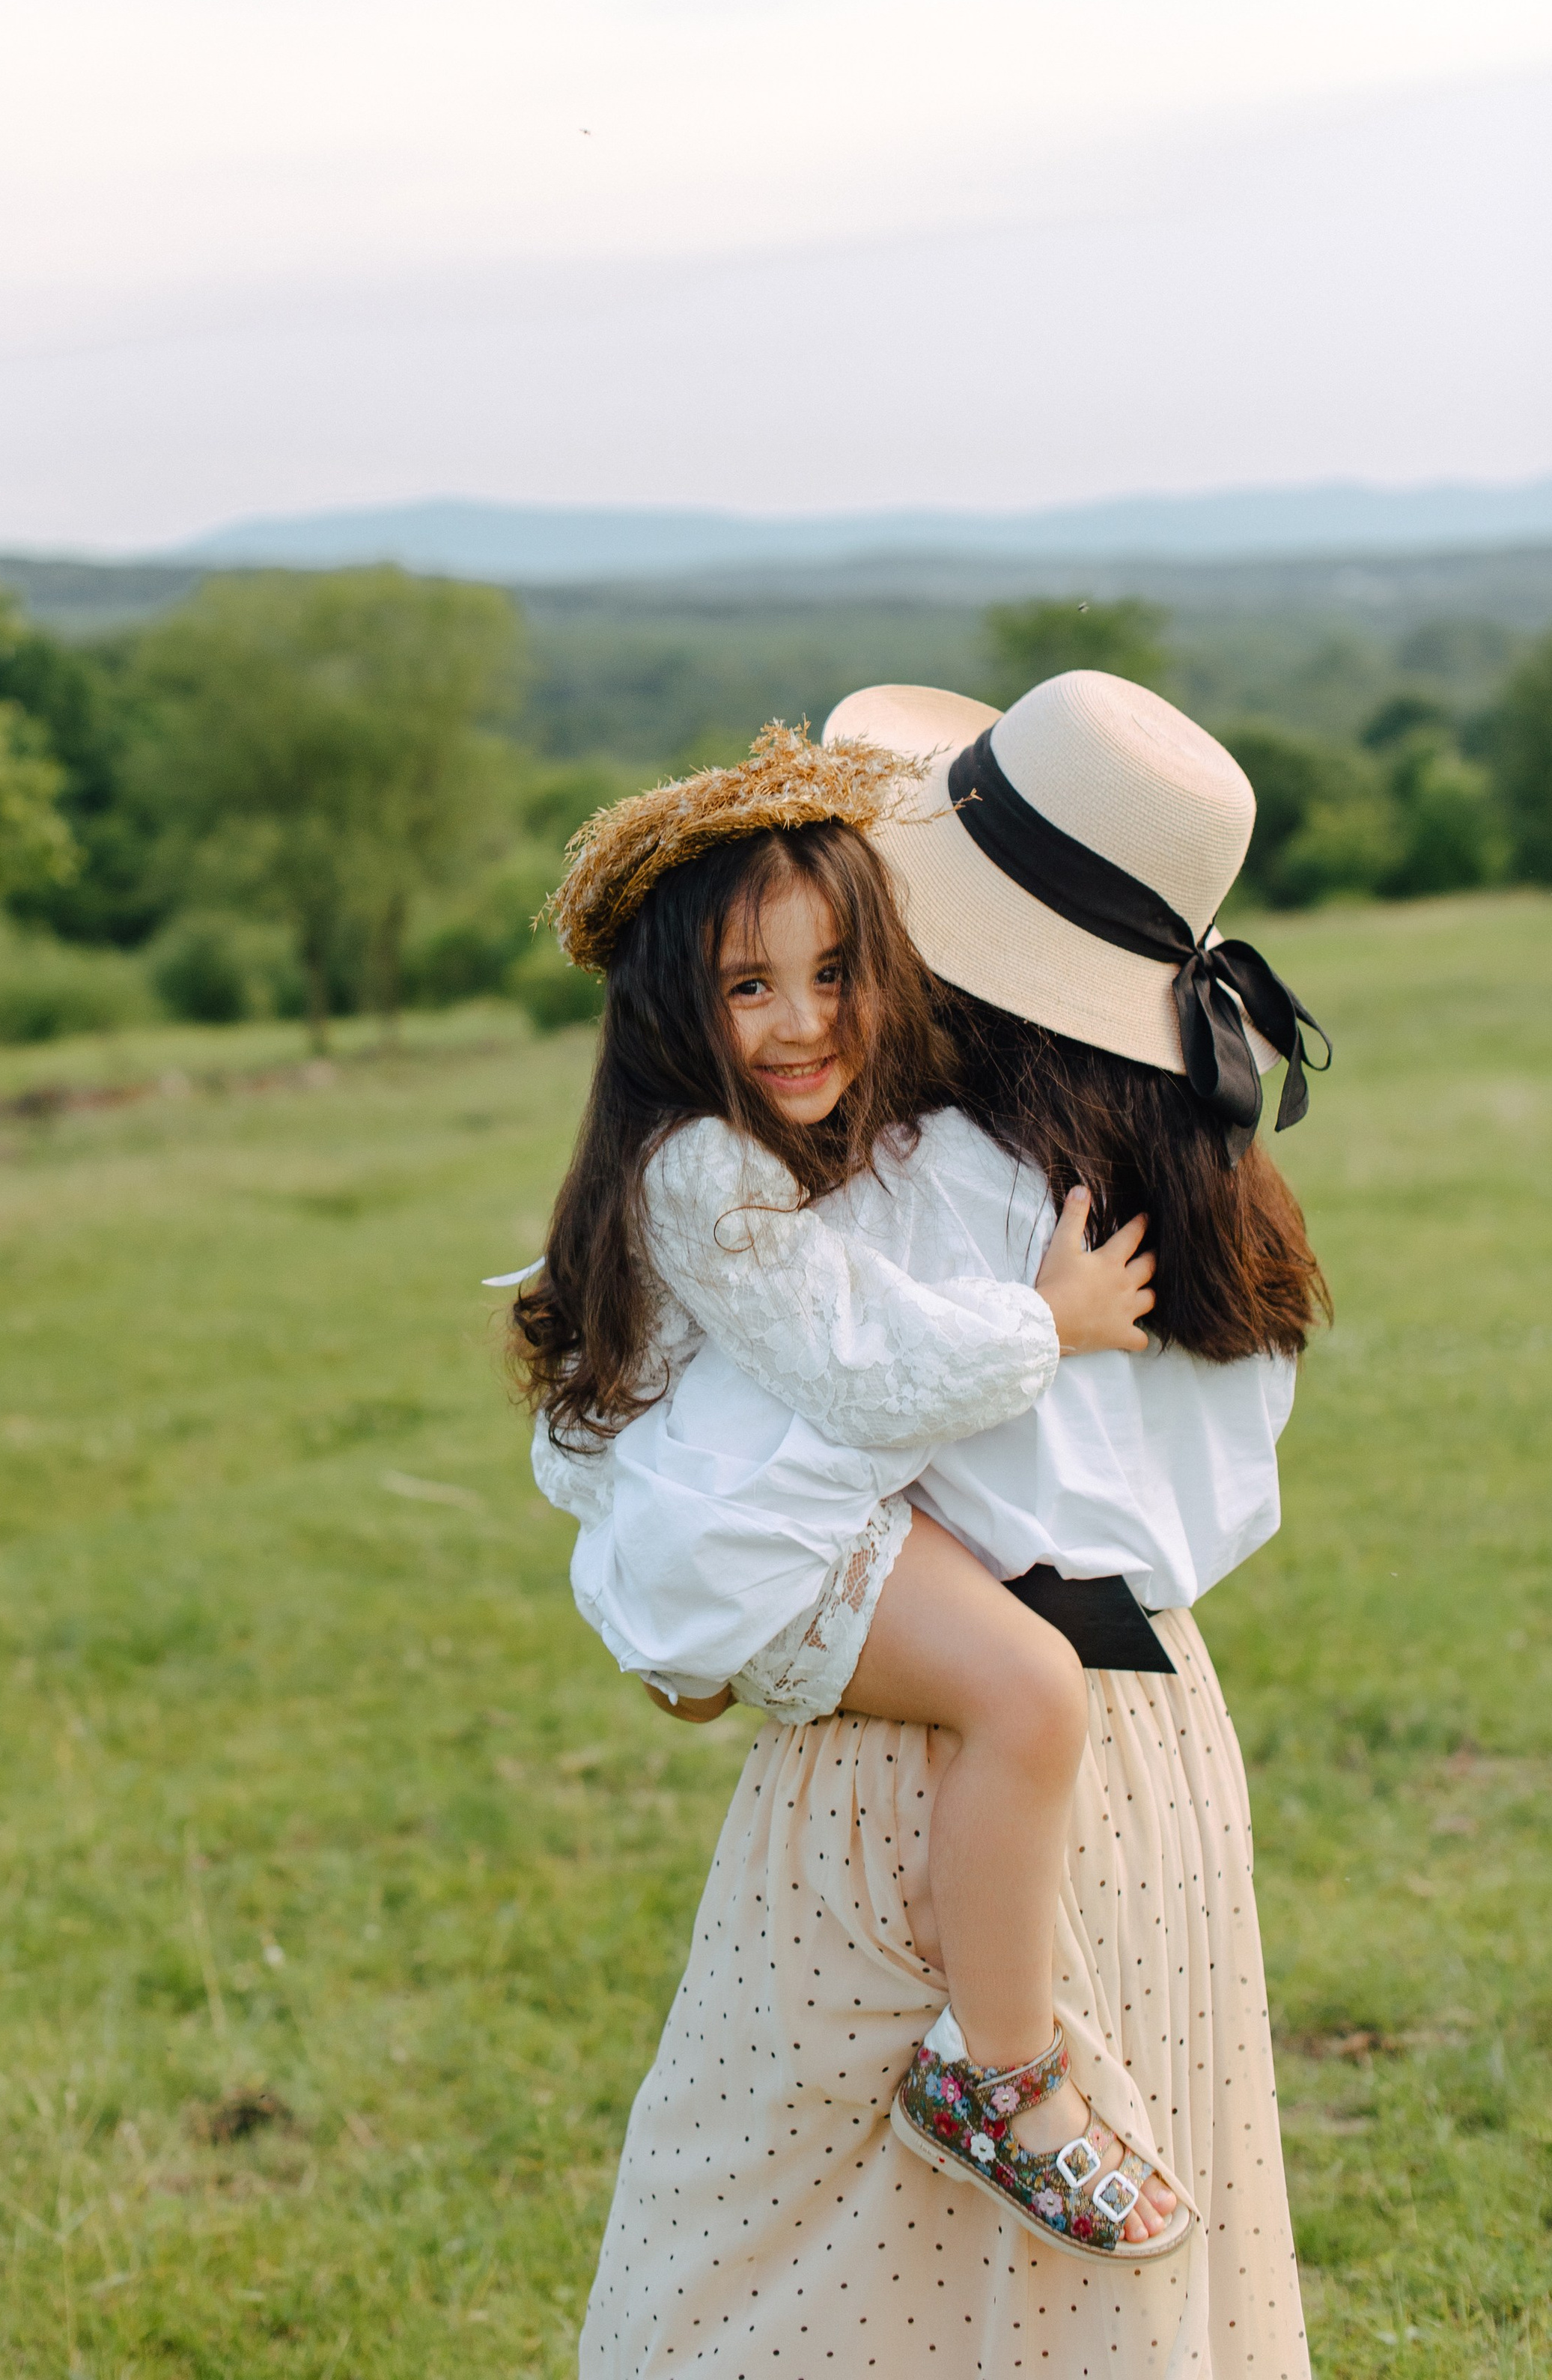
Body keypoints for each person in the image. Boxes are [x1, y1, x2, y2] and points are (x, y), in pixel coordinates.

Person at [547, 675, 1330, 2377]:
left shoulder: (899, 1171)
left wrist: (679, 1643)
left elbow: (755, 1437)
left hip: (916, 1742)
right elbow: (1212, 1496)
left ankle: (992, 2073)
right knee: (1109, 2256)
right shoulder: (1203, 1167)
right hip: (1156, 1746)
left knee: (801, 2267)